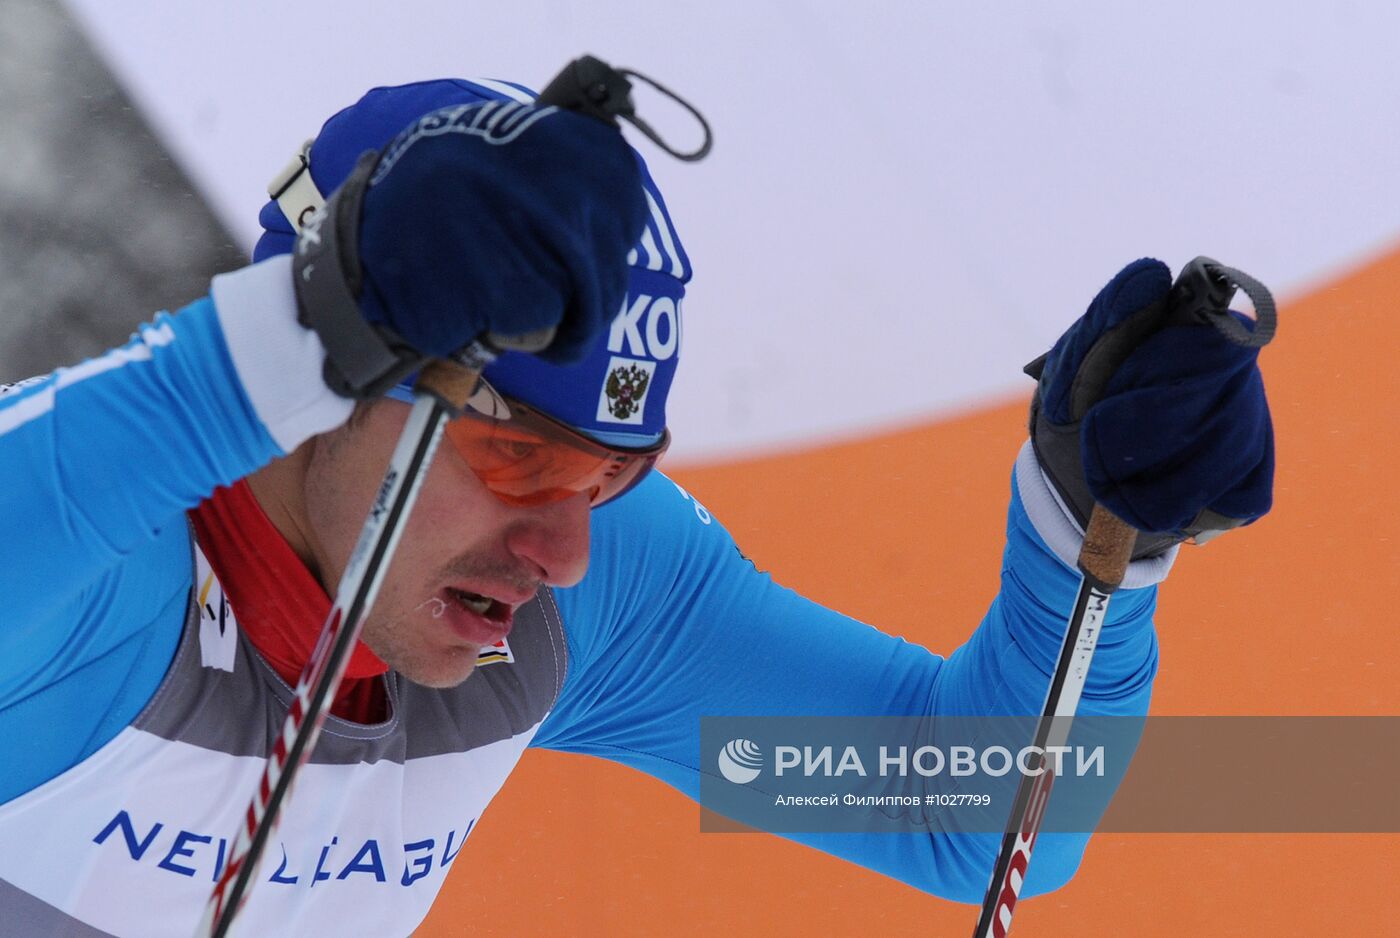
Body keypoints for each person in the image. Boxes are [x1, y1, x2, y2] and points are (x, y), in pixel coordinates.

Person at [0, 76, 1273, 937]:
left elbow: (965, 817)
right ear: (343, 370)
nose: (562, 550)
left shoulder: (579, 604)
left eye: (613, 475)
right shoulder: (93, 575)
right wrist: (299, 334)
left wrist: (1084, 547)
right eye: (519, 461)